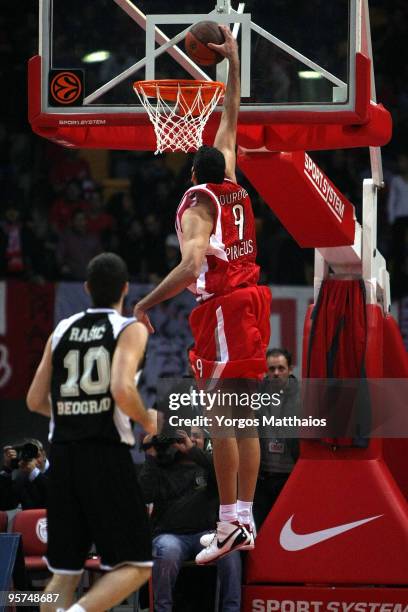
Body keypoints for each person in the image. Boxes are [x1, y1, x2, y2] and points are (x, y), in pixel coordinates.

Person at [133, 26, 271, 564]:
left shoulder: (197, 198)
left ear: (194, 173)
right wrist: (234, 60)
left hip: (223, 310)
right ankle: (243, 519)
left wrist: (146, 303)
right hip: (252, 304)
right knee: (244, 422)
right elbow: (230, 118)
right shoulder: (233, 180)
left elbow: (191, 262)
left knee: (221, 422)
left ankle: (227, 521)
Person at [26, 252, 157, 612]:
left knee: (63, 575)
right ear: (126, 289)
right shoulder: (129, 328)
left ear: (87, 289)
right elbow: (120, 388)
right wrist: (148, 421)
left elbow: (35, 399)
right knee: (137, 565)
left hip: (63, 457)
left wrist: (74, 412)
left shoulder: (62, 329)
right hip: (104, 453)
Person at [139, 429, 241, 612]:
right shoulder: (161, 467)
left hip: (205, 534)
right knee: (167, 551)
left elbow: (227, 471)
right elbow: (144, 494)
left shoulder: (209, 467)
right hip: (170, 535)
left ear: (204, 441)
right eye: (185, 435)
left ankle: (231, 609)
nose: (190, 439)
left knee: (229, 547)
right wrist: (150, 456)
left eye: (196, 436)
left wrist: (192, 451)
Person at [254, 348, 300, 530]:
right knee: (262, 531)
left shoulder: (303, 396)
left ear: (290, 369)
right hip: (262, 477)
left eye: (281, 368)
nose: (276, 373)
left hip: (291, 477)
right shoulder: (254, 396)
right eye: (271, 369)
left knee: (289, 529)